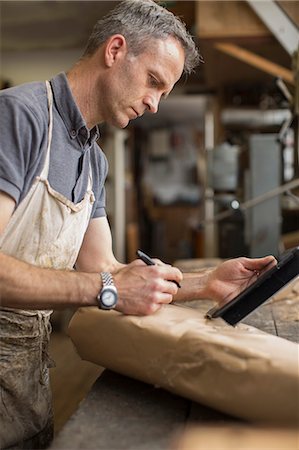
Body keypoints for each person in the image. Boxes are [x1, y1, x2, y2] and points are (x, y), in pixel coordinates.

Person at [0, 0, 276, 448]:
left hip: (27, 378)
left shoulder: (93, 160)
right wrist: (106, 288)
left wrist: (206, 283)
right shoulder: (20, 117)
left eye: (164, 94)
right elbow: (106, 283)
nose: (153, 105)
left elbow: (105, 266)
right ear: (115, 50)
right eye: (153, 82)